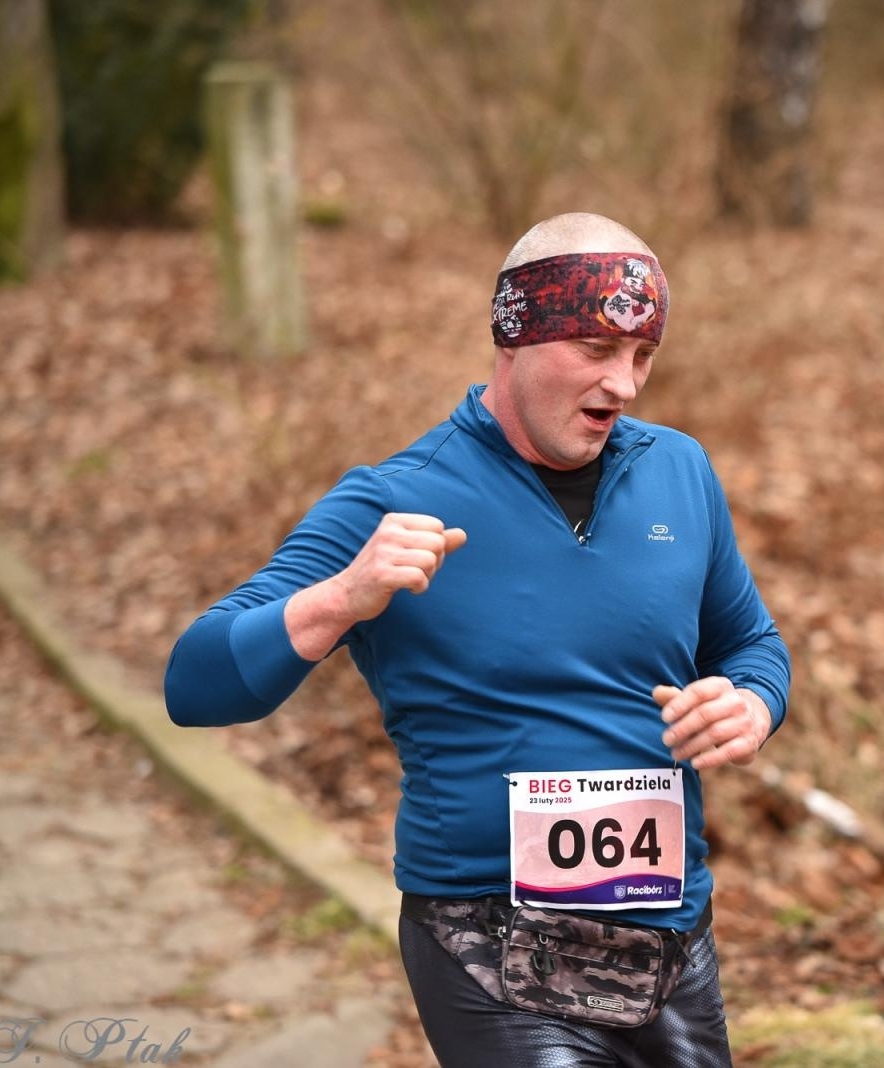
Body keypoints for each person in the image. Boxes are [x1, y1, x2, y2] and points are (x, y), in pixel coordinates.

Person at [164, 212, 791, 1067]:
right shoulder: (397, 498)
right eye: (598, 349)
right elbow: (194, 684)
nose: (625, 383)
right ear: (514, 335)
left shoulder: (680, 471)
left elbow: (752, 643)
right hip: (487, 943)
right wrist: (344, 597)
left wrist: (752, 704)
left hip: (671, 933)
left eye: (643, 355)